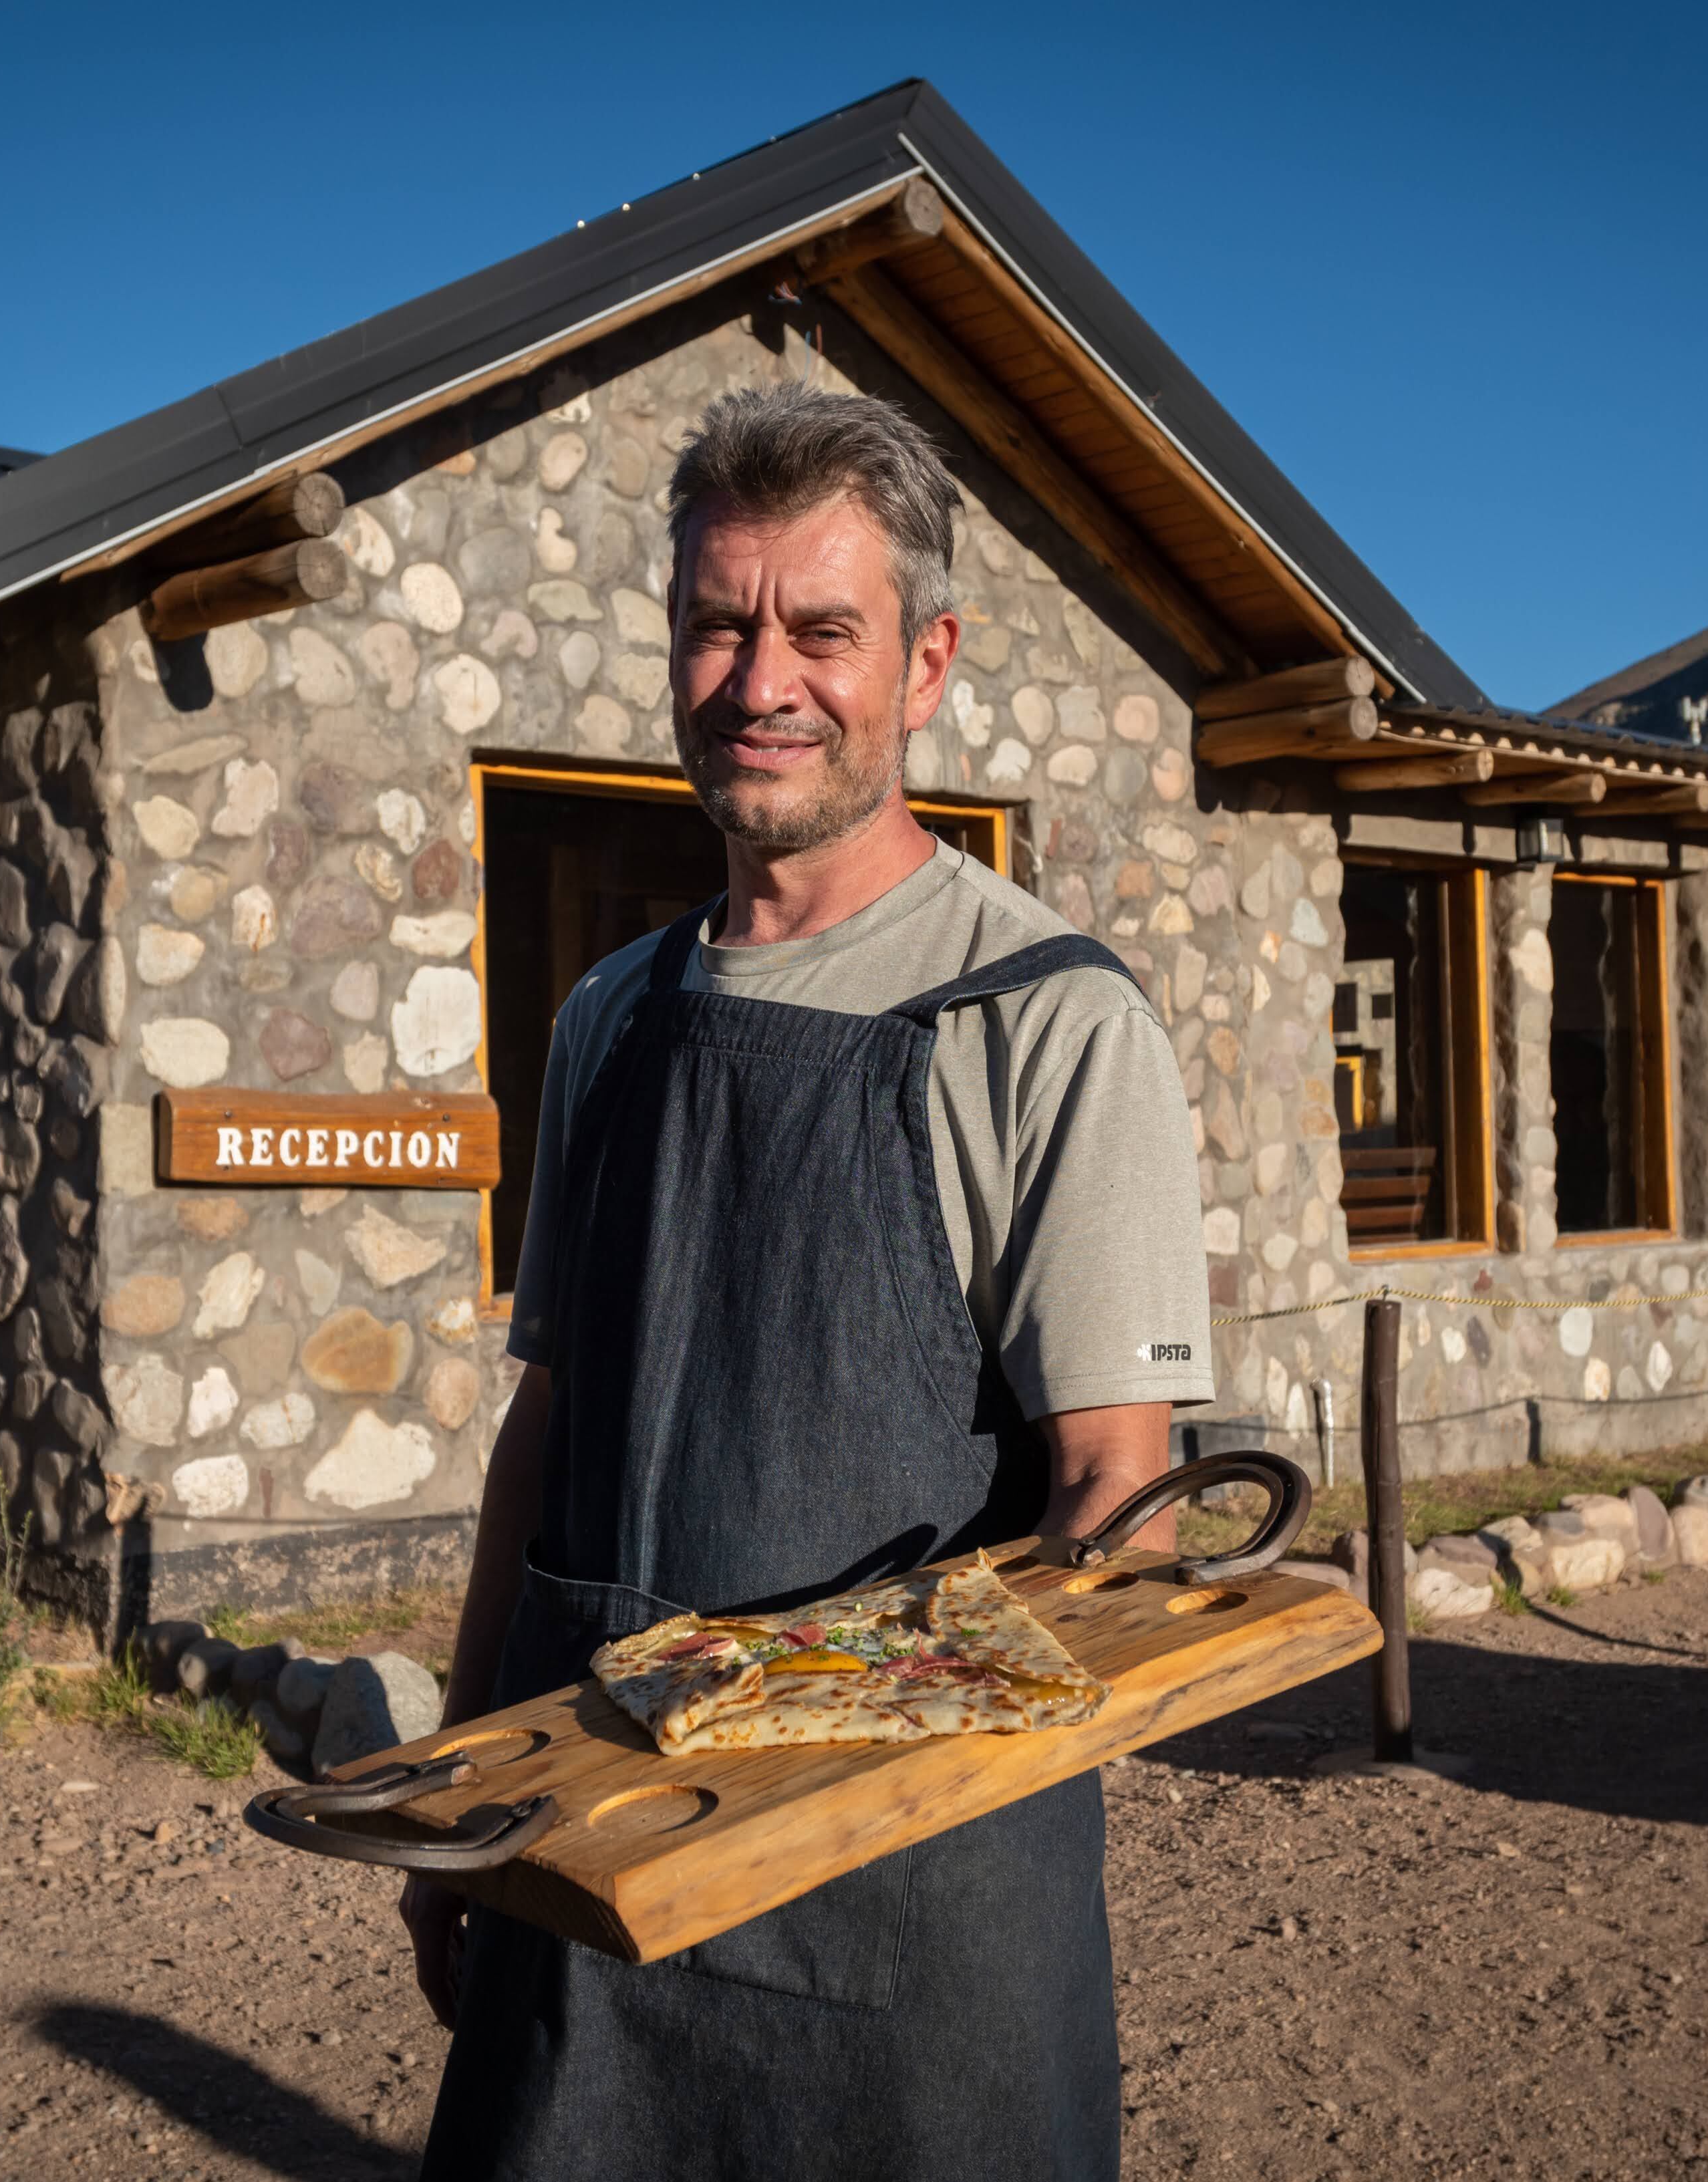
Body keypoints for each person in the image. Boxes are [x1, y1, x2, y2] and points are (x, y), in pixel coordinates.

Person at [406, 381, 1214, 2181]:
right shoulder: (607, 1018)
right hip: (593, 1845)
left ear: (922, 665)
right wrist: (465, 1785)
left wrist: (858, 1723)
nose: (760, 679)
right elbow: (545, 1428)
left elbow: (1117, 1490)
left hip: (908, 1925)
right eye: (719, 621)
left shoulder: (1045, 1020)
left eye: (819, 631)